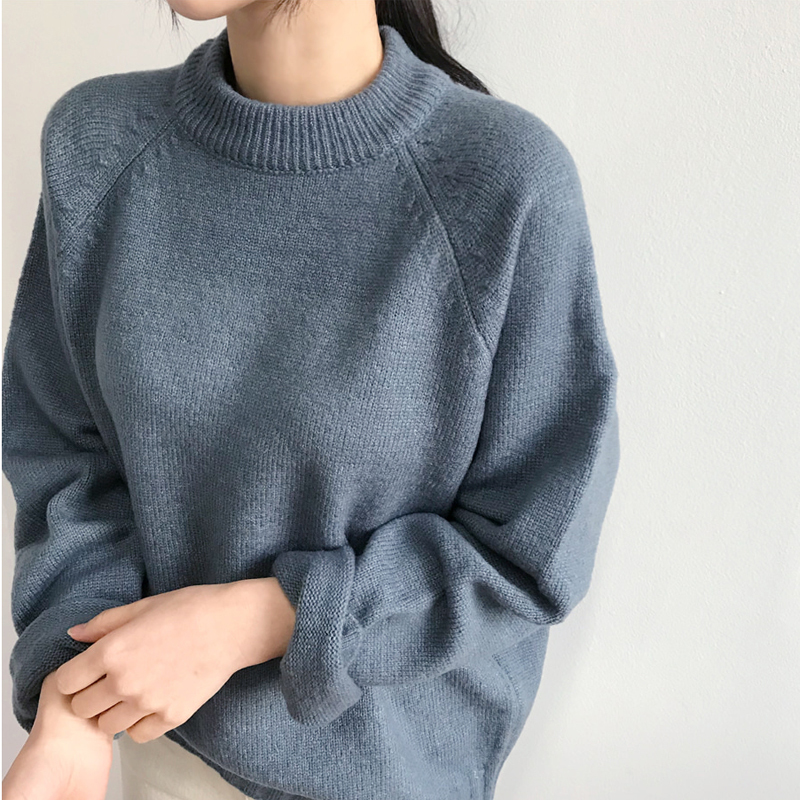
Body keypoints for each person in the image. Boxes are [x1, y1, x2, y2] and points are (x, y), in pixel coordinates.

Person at [1, 0, 621, 798]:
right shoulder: (97, 144)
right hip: (160, 756)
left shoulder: (504, 181)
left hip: (390, 777)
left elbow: (532, 547)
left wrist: (263, 619)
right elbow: (66, 460)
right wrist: (75, 696)